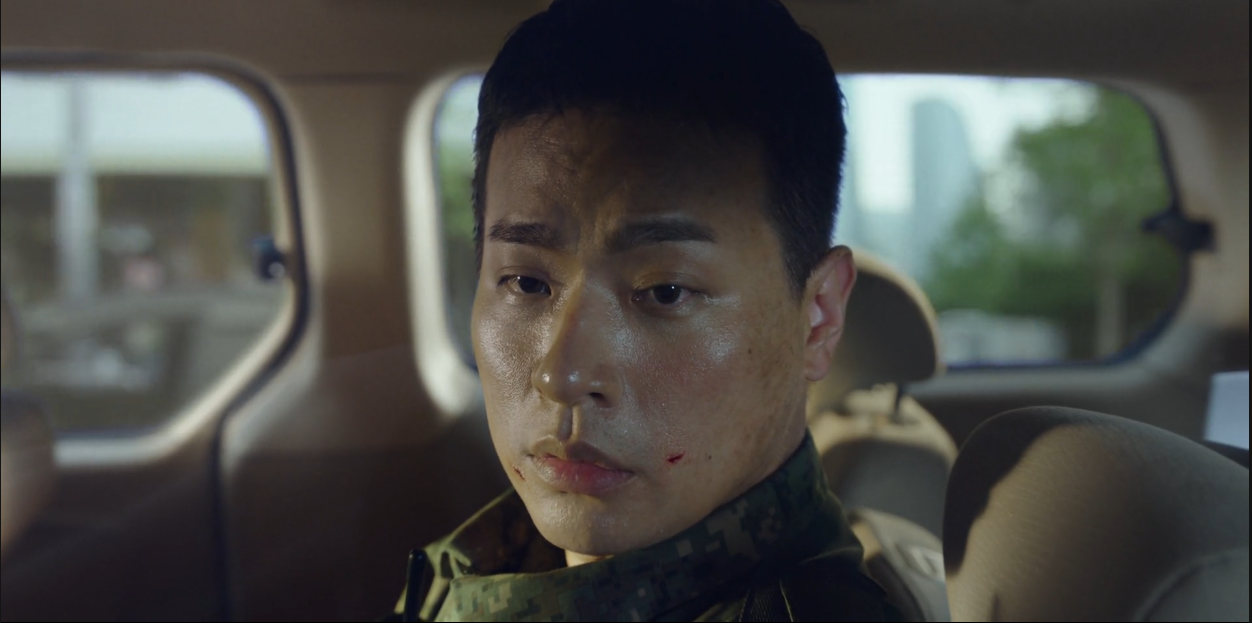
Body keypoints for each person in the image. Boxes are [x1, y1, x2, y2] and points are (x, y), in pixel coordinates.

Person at [391, 1, 897, 620]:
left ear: (817, 317)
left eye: (665, 292)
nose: (562, 375)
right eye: (525, 282)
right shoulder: (487, 561)